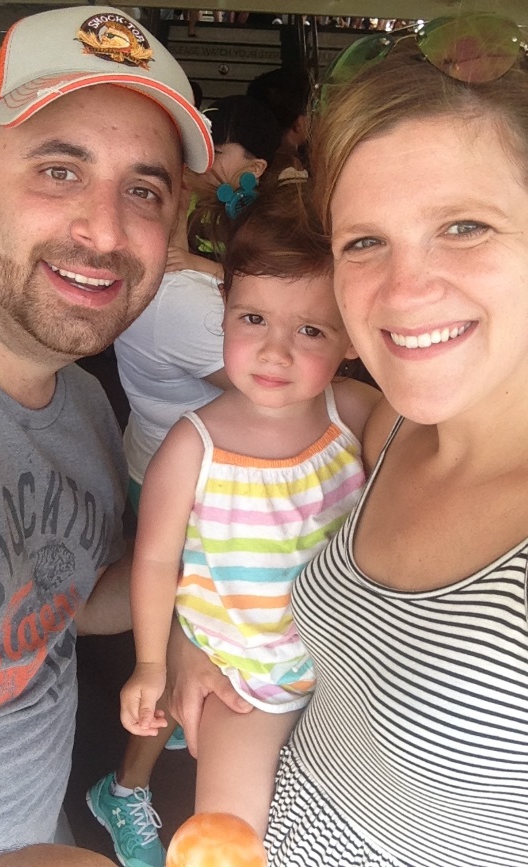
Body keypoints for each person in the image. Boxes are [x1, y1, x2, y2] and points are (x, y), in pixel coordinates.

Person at [168, 13, 528, 867]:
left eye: (464, 226)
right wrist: (188, 642)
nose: (403, 289)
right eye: (365, 241)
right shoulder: (390, 428)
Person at [0, 4, 213, 864]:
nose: (104, 231)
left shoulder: (84, 405)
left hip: (39, 824)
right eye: (59, 170)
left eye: (143, 190)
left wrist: (210, 572)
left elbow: (61, 599)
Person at [119, 183, 380, 840]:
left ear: (352, 337)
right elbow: (155, 560)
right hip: (243, 677)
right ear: (225, 309)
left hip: (351, 667)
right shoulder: (192, 446)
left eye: (310, 330)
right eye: (253, 319)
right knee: (225, 828)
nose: (274, 351)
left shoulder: (355, 415)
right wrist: (151, 663)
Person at [86, 188, 230, 867]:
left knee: (174, 619)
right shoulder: (190, 303)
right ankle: (124, 788)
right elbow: (275, 379)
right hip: (193, 490)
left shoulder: (138, 282)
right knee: (186, 638)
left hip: (149, 457)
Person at [166, 94, 282, 281]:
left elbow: (264, 280)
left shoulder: (268, 218)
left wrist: (199, 264)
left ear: (255, 168)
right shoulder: (187, 197)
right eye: (201, 149)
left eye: (216, 152)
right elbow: (174, 265)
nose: (204, 159)